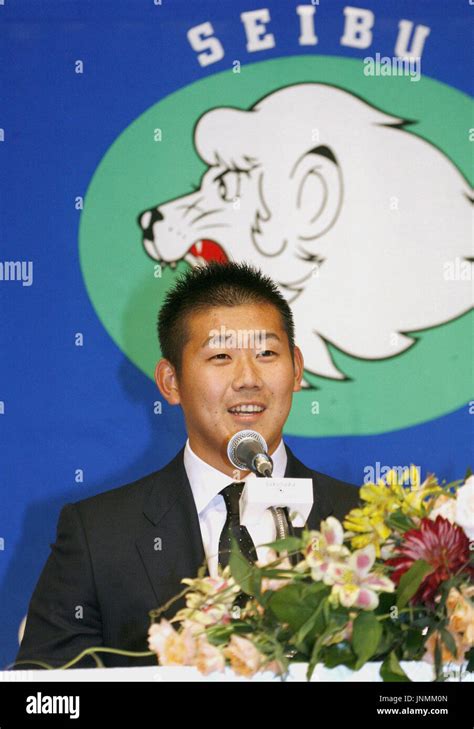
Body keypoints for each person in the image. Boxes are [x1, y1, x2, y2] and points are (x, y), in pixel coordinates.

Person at [13, 262, 360, 669]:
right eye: (220, 356)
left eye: (266, 353)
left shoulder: (364, 523)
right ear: (170, 382)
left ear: (297, 369)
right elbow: (44, 698)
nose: (248, 378)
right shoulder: (97, 536)